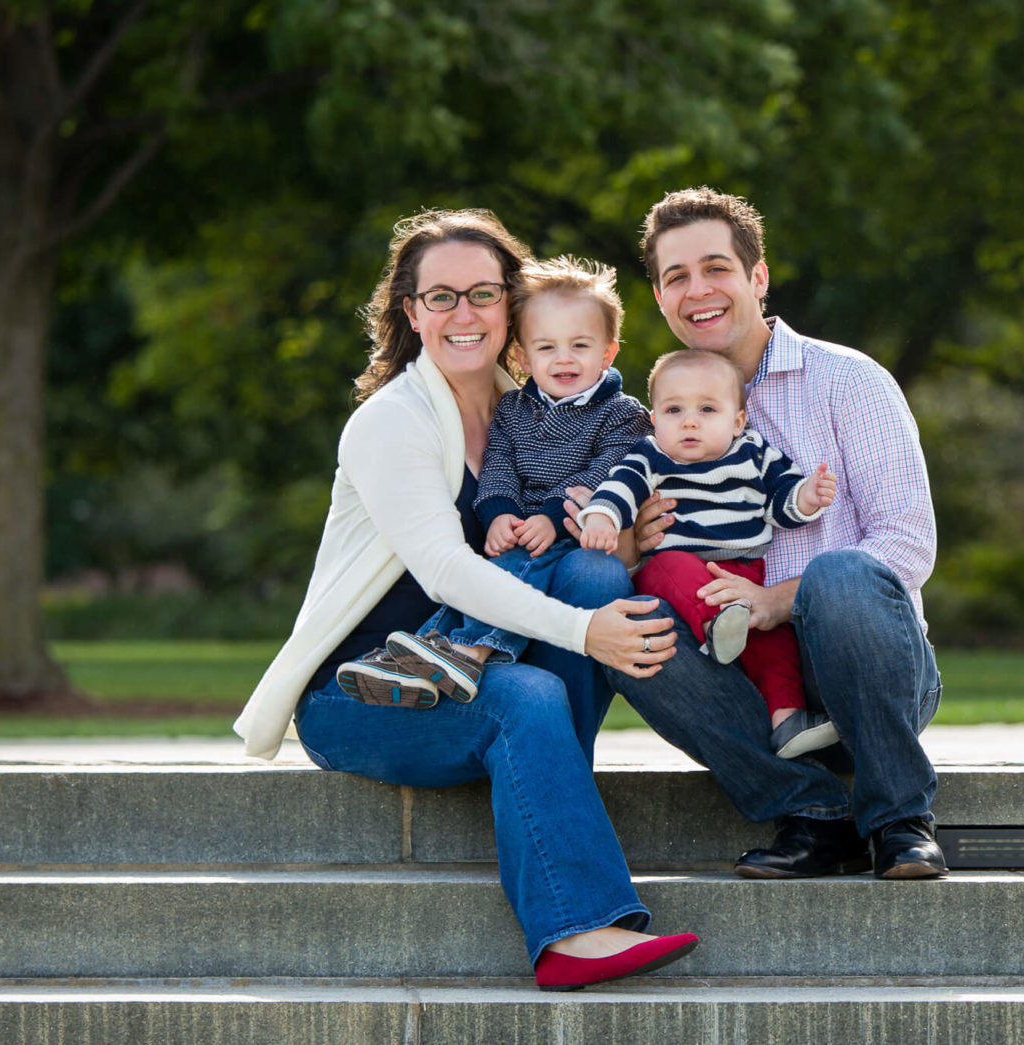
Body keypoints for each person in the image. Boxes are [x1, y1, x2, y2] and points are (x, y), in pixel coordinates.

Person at [232, 209, 698, 990]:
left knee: (593, 576)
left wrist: (620, 529)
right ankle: (575, 932)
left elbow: (573, 556)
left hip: (475, 667)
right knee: (527, 692)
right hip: (363, 691)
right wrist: (586, 634)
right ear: (411, 311)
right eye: (439, 296)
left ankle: (547, 789)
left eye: (482, 293)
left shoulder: (538, 407)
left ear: (510, 307)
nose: (462, 313)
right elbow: (448, 571)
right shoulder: (392, 422)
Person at [588, 187, 948, 881]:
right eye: (676, 277)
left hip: (869, 676)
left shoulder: (849, 380)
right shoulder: (661, 419)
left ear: (757, 277)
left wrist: (778, 598)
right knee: (616, 624)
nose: (698, 290)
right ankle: (812, 815)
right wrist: (630, 539)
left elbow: (907, 543)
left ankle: (900, 819)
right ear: (660, 300)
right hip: (744, 688)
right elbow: (633, 555)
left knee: (840, 573)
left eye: (716, 267)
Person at [336, 256, 652, 704]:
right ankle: (431, 655)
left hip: (572, 528)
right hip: (523, 528)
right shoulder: (513, 408)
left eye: (580, 346)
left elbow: (610, 467)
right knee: (498, 572)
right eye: (546, 348)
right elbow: (498, 462)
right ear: (523, 357)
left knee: (517, 569)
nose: (564, 359)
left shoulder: (622, 413)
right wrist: (499, 511)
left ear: (608, 351)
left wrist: (549, 514)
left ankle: (469, 651)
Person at [576, 348, 841, 759]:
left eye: (707, 409)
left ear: (737, 421)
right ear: (654, 419)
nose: (690, 421)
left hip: (743, 575)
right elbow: (619, 487)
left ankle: (786, 719)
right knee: (671, 564)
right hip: (677, 567)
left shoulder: (754, 453)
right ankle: (717, 625)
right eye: (673, 409)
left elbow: (780, 504)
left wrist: (807, 496)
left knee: (775, 644)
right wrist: (602, 517)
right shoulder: (651, 456)